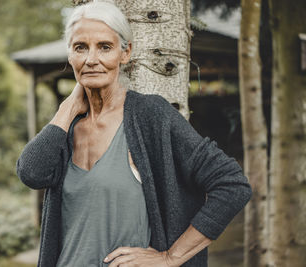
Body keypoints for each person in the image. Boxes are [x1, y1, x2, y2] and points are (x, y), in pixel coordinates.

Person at [16, 1, 252, 266]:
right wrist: (67, 108)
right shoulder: (67, 128)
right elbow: (31, 173)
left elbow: (232, 185)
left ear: (125, 53)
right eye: (80, 47)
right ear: (70, 55)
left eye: (105, 47)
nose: (92, 59)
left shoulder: (150, 115)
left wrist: (171, 257)